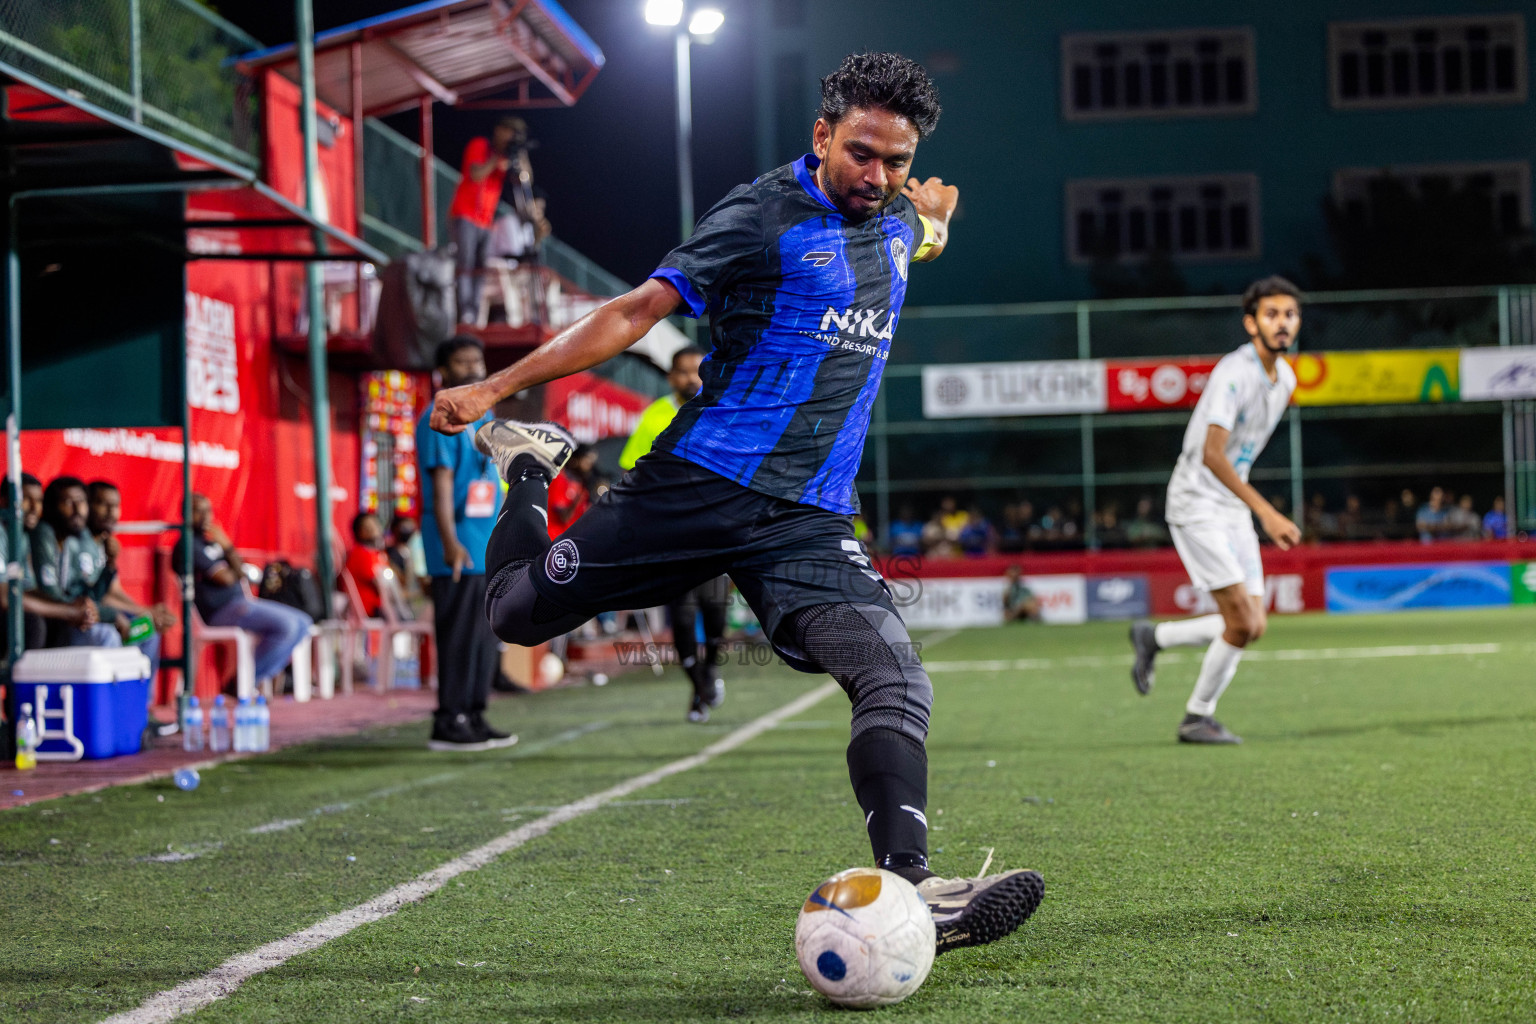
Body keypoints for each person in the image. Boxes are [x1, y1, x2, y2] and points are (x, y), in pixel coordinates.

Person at [429, 52, 1041, 953]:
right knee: (514, 614)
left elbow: (922, 231)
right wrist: (496, 392)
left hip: (810, 518)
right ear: (822, 135)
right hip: (699, 487)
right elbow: (637, 311)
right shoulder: (761, 216)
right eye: (861, 153)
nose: (877, 176)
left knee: (894, 675)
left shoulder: (900, 218)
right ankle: (529, 461)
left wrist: (936, 215)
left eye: (897, 162)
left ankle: (915, 892)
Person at [1128, 276, 1303, 745]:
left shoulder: (1285, 377)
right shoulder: (1234, 372)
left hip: (1230, 503)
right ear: (1251, 324)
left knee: (1253, 624)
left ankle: (1155, 639)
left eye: (1289, 314)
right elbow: (1212, 453)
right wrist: (1266, 512)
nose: (1282, 323)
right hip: (1197, 502)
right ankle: (1196, 717)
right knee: (1242, 622)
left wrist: (1249, 506)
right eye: (1271, 314)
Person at [415, 336, 517, 751]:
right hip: (456, 548)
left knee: (483, 637)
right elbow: (440, 487)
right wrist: (451, 543)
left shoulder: (484, 414)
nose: (472, 368)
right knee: (457, 637)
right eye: (461, 362)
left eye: (477, 360)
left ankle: (474, 713)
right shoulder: (440, 418)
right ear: (443, 371)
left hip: (484, 546)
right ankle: (449, 719)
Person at [618, 345, 729, 722]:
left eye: (697, 372)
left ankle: (709, 671)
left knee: (715, 615)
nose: (690, 379)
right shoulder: (655, 416)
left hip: (714, 533)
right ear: (670, 377)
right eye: (682, 372)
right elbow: (630, 471)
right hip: (670, 534)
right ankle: (698, 688)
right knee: (681, 617)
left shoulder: (723, 410)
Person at [176, 494, 314, 689]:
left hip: (240, 604)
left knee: (304, 623)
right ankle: (243, 681)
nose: (206, 516)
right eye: (198, 510)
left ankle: (248, 678)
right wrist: (232, 562)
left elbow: (239, 572)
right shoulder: (188, 545)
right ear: (184, 514)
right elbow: (226, 578)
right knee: (288, 626)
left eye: (208, 510)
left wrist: (228, 547)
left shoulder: (213, 543)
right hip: (219, 611)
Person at [0, 474, 95, 652]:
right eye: (26, 499)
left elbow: (27, 589)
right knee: (32, 623)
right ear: (4, 501)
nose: (35, 508)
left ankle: (48, 681)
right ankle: (23, 680)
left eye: (39, 501)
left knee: (61, 624)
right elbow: (5, 598)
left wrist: (72, 606)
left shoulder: (22, 535)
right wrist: (67, 611)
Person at [87, 480, 177, 667]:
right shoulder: (82, 543)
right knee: (115, 633)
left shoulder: (106, 542)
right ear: (87, 505)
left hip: (106, 612)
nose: (111, 512)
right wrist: (145, 612)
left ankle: (143, 695)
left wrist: (146, 612)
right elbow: (98, 599)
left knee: (148, 627)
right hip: (89, 617)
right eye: (104, 504)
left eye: (116, 506)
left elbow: (113, 590)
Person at [449, 117, 522, 323]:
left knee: (481, 268)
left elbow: (523, 180)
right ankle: (464, 313)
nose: (510, 137)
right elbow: (476, 175)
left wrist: (519, 157)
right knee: (466, 263)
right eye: (508, 131)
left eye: (514, 133)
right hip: (465, 215)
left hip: (485, 221)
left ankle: (474, 312)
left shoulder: (508, 157)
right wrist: (495, 160)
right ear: (498, 130)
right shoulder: (480, 145)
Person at [345, 512, 390, 618]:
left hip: (380, 608)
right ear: (359, 532)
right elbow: (380, 584)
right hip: (369, 610)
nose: (373, 529)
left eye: (374, 525)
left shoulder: (376, 553)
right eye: (367, 527)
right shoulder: (360, 553)